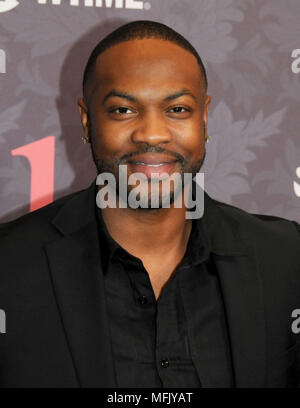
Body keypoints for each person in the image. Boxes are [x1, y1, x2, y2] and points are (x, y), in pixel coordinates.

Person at [0, 20, 300, 388]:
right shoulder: (9, 266)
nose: (152, 133)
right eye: (123, 110)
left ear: (204, 118)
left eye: (177, 109)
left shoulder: (287, 260)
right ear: (86, 120)